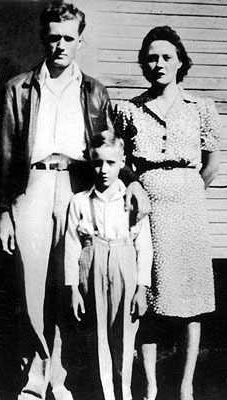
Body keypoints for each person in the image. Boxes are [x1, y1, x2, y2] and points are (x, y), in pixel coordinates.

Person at [0, 2, 150, 400]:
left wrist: (130, 181)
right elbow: (8, 153)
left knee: (65, 284)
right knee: (30, 286)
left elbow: (109, 144)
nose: (60, 45)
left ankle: (59, 378)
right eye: (53, 37)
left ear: (80, 40)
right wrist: (4, 211)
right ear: (42, 39)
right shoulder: (19, 88)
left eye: (68, 38)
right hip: (30, 188)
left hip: (75, 186)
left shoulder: (94, 90)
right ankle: (34, 378)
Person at [114, 26, 220, 400]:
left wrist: (186, 190)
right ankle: (152, 387)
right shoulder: (128, 110)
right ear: (143, 63)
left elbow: (210, 165)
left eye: (166, 57)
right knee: (149, 297)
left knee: (191, 301)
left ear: (180, 63)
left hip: (188, 210)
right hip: (148, 210)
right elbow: (119, 162)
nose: (158, 64)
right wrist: (135, 183)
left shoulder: (200, 109)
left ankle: (186, 385)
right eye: (151, 57)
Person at [64, 130, 153, 400]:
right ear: (90, 162)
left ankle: (124, 392)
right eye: (97, 162)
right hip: (93, 266)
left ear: (123, 161)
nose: (103, 169)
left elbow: (144, 246)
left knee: (125, 334)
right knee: (98, 332)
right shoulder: (80, 201)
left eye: (111, 163)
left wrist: (141, 287)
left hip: (125, 263)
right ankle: (105, 394)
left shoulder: (131, 201)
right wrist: (73, 288)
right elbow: (71, 245)